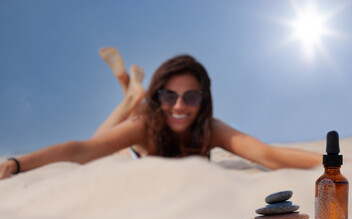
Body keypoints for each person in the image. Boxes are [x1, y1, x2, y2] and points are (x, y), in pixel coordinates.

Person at [0, 47, 321, 179]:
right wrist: (16, 163)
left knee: (116, 129)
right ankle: (130, 95)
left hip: (146, 116)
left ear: (204, 99)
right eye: (169, 95)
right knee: (102, 146)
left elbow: (267, 154)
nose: (180, 105)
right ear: (159, 96)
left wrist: (335, 164)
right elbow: (83, 151)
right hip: (136, 147)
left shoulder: (211, 128)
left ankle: (129, 90)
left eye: (191, 96)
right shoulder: (143, 127)